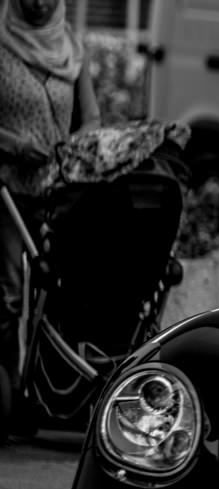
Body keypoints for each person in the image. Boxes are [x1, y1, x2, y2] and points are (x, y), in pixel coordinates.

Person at [0, 0, 98, 398]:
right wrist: (16, 146)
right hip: (6, 192)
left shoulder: (72, 49)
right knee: (7, 297)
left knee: (51, 300)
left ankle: (40, 395)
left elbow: (92, 118)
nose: (37, 3)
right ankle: (6, 390)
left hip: (58, 194)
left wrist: (73, 146)